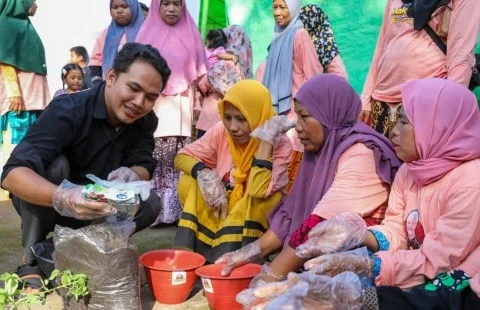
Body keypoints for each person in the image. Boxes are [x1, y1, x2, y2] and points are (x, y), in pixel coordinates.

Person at [288, 78, 480, 307]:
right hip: (416, 267)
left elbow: (439, 260)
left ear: (436, 126)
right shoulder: (410, 171)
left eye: (404, 123)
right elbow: (397, 230)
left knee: (362, 299)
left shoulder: (470, 182)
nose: (393, 132)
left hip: (456, 286)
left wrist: (371, 265)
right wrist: (358, 234)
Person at [1, 43, 171, 291]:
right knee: (53, 166)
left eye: (150, 97)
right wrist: (64, 196)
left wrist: (131, 174)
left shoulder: (145, 120)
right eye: (133, 89)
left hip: (100, 207)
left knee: (150, 202)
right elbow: (12, 174)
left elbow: (145, 162)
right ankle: (30, 261)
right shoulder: (68, 109)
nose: (139, 102)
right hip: (50, 204)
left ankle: (66, 247)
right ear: (111, 76)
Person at [216, 74, 401, 277]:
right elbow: (289, 219)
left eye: (305, 116)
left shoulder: (362, 153)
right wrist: (244, 254)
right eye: (298, 116)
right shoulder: (320, 151)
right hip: (316, 258)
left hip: (357, 269)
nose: (298, 127)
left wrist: (268, 278)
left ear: (328, 115)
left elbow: (318, 225)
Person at [174, 80, 293, 262]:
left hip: (252, 212)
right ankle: (199, 250)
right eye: (228, 117)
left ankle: (240, 251)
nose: (233, 127)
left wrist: (266, 142)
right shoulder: (222, 131)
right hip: (225, 205)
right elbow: (181, 157)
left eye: (241, 119)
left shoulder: (280, 143)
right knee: (188, 181)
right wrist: (204, 172)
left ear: (258, 115)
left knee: (267, 198)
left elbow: (257, 190)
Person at [359, 0, 480, 137]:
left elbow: (461, 58)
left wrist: (449, 114)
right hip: (381, 102)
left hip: (425, 106)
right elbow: (382, 45)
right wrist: (366, 98)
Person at [136, 0, 208, 225]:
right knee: (156, 156)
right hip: (154, 105)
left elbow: (201, 71)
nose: (171, 9)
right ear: (157, 6)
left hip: (182, 108)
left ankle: (177, 211)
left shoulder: (190, 32)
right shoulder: (146, 33)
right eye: (165, 3)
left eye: (176, 4)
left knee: (179, 157)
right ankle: (154, 212)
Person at [257, 0, 323, 192]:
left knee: (293, 168)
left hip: (295, 115)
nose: (277, 12)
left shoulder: (300, 35)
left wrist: (308, 111)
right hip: (277, 115)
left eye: (283, 7)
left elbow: (313, 74)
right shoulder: (277, 36)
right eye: (275, 7)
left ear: (293, 8)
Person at [0, 0, 50, 199]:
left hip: (33, 99)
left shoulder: (24, 25)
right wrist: (14, 92)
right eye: (32, 1)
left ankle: (29, 182)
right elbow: (5, 61)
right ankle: (16, 184)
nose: (35, 5)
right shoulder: (6, 25)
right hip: (20, 100)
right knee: (16, 140)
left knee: (32, 142)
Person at [196, 24, 253, 137]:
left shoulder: (223, 64)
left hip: (211, 119)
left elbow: (202, 83)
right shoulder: (244, 67)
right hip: (236, 123)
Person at [89, 0, 144, 84]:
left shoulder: (146, 32)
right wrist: (98, 84)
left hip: (140, 84)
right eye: (115, 7)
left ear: (134, 8)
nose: (119, 11)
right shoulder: (105, 35)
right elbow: (95, 62)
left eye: (124, 6)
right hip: (110, 86)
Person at [299, 4, 347, 78]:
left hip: (334, 81)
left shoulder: (320, 43)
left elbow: (314, 72)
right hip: (340, 80)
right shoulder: (326, 36)